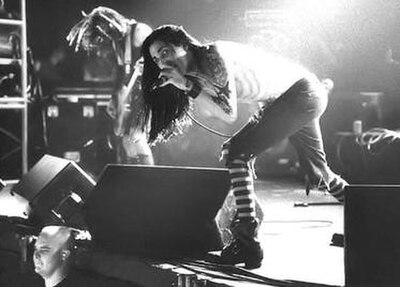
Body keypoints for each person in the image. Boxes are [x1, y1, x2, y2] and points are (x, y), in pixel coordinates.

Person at [139, 24, 349, 269]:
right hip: (292, 97)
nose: (162, 61)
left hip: (299, 94)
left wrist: (185, 84)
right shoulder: (194, 74)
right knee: (318, 173)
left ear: (184, 45)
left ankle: (247, 243)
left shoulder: (213, 56)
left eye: (165, 52)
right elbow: (210, 111)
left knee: (236, 153)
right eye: (156, 58)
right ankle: (369, 212)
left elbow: (227, 113)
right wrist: (183, 84)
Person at [66, 6, 154, 165]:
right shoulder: (118, 41)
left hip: (150, 92)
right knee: (126, 143)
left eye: (103, 33)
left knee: (136, 139)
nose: (104, 38)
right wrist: (114, 97)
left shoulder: (139, 31)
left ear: (110, 24)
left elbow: (158, 59)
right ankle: (134, 180)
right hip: (136, 95)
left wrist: (148, 65)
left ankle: (149, 182)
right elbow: (122, 73)